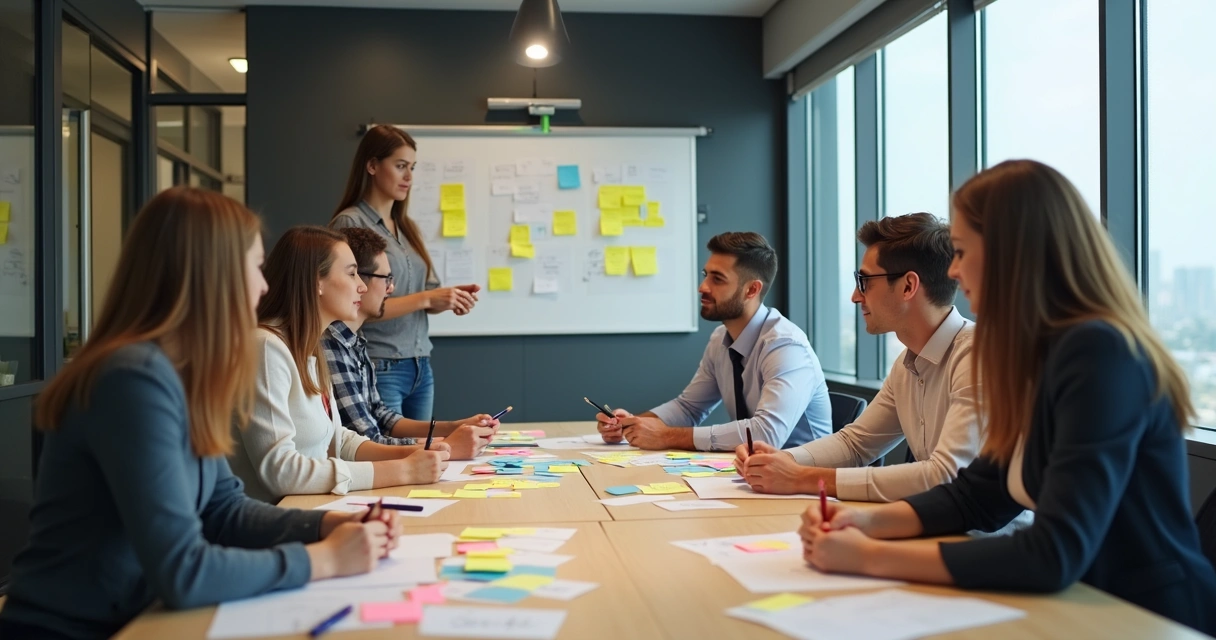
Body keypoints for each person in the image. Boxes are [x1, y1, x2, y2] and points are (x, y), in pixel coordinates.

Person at [798, 160, 1216, 634]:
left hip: (1141, 616)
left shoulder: (1099, 351)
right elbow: (976, 496)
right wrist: (864, 525)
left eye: (961, 251)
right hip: (1078, 604)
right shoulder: (1036, 352)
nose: (953, 270)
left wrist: (872, 557)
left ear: (1010, 252)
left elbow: (1054, 551)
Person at [0, 189, 400, 640]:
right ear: (213, 274)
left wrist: (328, 523)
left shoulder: (179, 373)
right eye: (255, 266)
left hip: (141, 617)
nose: (265, 285)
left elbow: (223, 509)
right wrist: (324, 559)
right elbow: (183, 571)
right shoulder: (131, 379)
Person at [736, 213, 986, 502]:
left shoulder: (976, 358)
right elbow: (855, 445)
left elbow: (945, 475)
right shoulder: (908, 363)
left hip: (989, 542)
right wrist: (782, 460)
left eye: (864, 281)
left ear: (908, 286)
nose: (856, 296)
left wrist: (802, 477)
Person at [229, 226, 449, 504]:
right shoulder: (265, 347)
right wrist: (402, 470)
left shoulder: (309, 347)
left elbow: (339, 441)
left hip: (309, 508)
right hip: (273, 521)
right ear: (315, 282)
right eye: (351, 273)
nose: (362, 286)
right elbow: (280, 471)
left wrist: (412, 455)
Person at [597, 231, 831, 451]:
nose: (702, 287)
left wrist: (666, 435)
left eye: (717, 279)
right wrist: (630, 425)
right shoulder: (721, 338)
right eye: (705, 275)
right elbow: (688, 408)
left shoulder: (786, 346)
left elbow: (766, 433)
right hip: (756, 474)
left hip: (805, 483)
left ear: (751, 290)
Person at [331, 124, 480, 421]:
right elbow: (354, 306)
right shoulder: (350, 223)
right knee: (394, 458)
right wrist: (426, 298)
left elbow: (426, 293)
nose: (409, 177)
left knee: (423, 454)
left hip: (420, 366)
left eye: (412, 167)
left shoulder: (407, 227)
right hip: (380, 363)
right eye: (400, 166)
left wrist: (448, 299)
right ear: (372, 165)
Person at [323, 226, 498, 448]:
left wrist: (455, 427)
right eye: (386, 278)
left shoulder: (356, 341)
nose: (391, 288)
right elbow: (369, 441)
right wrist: (448, 445)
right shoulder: (331, 346)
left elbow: (381, 416)